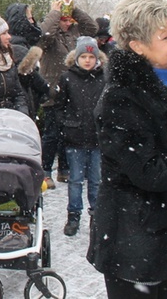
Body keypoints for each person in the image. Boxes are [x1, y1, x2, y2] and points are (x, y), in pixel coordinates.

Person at [87, 0, 167, 299]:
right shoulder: (121, 98)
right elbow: (146, 170)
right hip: (135, 239)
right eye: (166, 36)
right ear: (137, 45)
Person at [38, 0, 98, 189]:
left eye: (69, 20)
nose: (67, 23)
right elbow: (43, 33)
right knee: (52, 133)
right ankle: (45, 171)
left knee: (68, 131)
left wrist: (76, 9)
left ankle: (64, 169)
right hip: (54, 90)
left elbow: (93, 28)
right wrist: (55, 13)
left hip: (74, 89)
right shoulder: (50, 36)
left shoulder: (76, 33)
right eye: (64, 20)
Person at [53, 36, 106, 236]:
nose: (87, 61)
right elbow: (59, 106)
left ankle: (97, 216)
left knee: (96, 180)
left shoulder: (104, 78)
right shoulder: (67, 78)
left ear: (97, 59)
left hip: (97, 138)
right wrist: (66, 126)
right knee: (75, 179)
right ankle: (73, 215)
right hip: (75, 137)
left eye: (91, 57)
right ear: (76, 58)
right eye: (83, 56)